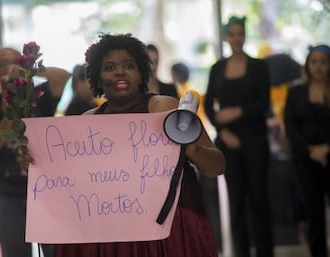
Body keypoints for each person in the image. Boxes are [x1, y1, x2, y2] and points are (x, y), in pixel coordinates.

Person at [20, 33, 225, 257]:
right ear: (97, 78)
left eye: (129, 65)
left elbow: (216, 166)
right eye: (109, 67)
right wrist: (34, 164)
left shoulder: (163, 108)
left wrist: (190, 147)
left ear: (141, 73)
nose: (120, 72)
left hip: (167, 232)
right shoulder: (87, 122)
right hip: (111, 236)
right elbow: (65, 183)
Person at [0, 47, 70, 257]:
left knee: (56, 251)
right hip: (5, 192)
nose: (13, 67)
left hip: (46, 189)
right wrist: (11, 110)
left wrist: (30, 69)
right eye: (7, 63)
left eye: (17, 61)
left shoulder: (39, 98)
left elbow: (63, 76)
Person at [204, 16, 273, 257]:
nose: (236, 38)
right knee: (236, 203)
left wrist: (237, 111)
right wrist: (222, 131)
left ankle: (265, 252)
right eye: (232, 34)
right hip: (227, 143)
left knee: (259, 201)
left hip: (255, 140)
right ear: (226, 37)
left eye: (240, 33)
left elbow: (264, 104)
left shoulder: (259, 67)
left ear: (245, 35)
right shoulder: (217, 68)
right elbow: (208, 107)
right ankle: (240, 252)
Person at [284, 44, 330, 257]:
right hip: (305, 160)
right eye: (314, 62)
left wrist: (326, 150)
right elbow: (291, 127)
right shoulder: (295, 92)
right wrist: (311, 151)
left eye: (323, 62)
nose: (318, 67)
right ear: (307, 65)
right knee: (314, 214)